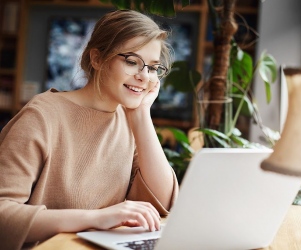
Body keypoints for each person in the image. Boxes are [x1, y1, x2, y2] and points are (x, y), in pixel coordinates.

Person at [0, 10, 179, 250]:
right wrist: (95, 218)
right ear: (97, 59)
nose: (143, 76)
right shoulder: (42, 116)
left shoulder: (129, 120)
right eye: (131, 61)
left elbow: (161, 205)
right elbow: (3, 213)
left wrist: (141, 115)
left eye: (152, 67)